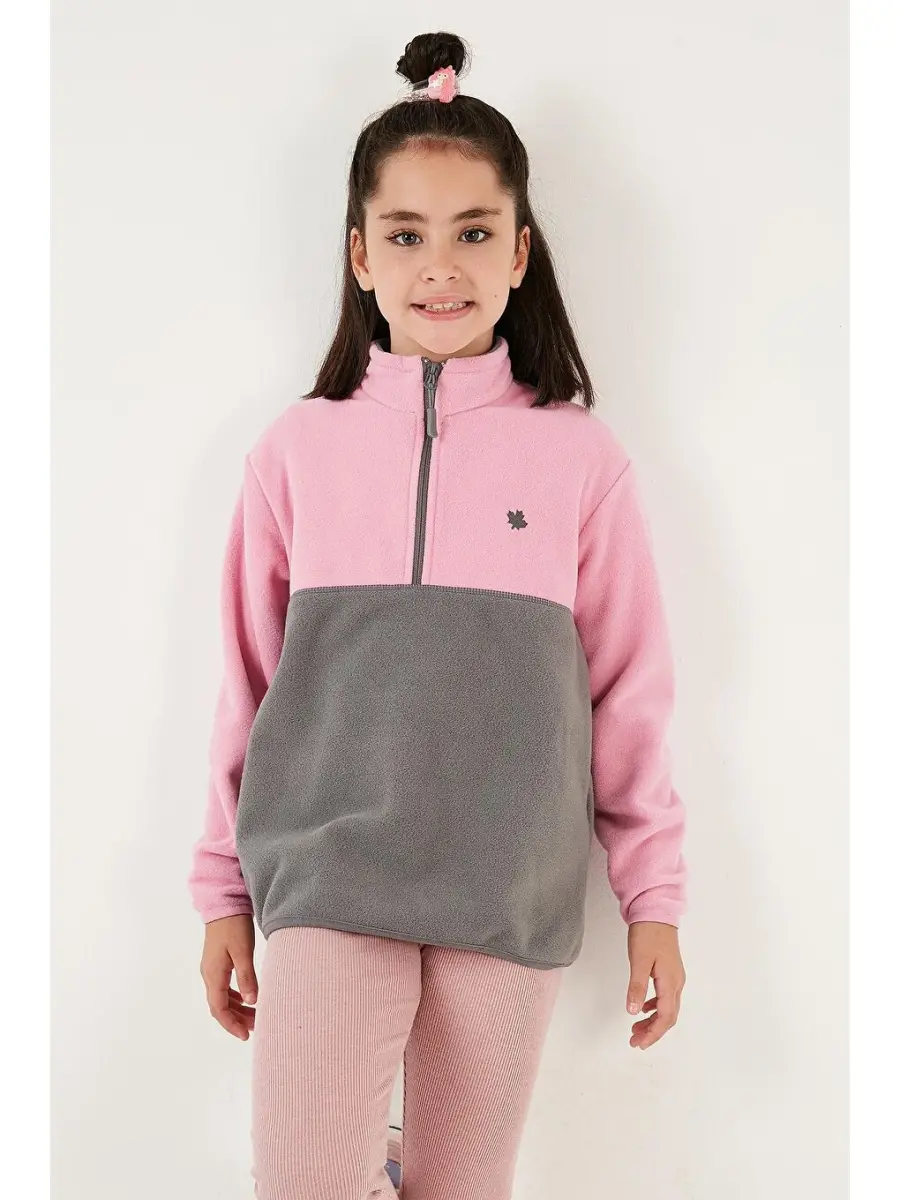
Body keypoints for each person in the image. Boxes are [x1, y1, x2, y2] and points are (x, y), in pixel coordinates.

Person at [187, 30, 688, 1200]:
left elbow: (632, 692)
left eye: (473, 232)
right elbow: (246, 682)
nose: (440, 267)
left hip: (503, 887)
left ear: (520, 251)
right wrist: (220, 889)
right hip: (327, 872)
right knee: (309, 1182)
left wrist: (655, 899)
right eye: (407, 235)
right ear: (361, 254)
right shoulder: (295, 451)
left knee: (463, 1187)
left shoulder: (580, 459)